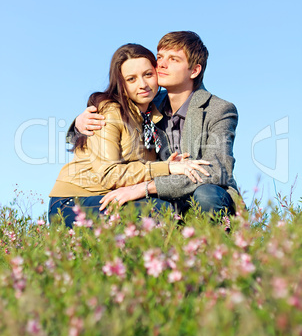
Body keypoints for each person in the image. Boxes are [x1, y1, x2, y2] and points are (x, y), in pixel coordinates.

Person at [71, 31, 239, 216]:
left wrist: (145, 188)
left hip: (199, 193)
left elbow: (215, 172)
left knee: (207, 195)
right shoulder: (147, 102)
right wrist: (79, 125)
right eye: (159, 57)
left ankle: (216, 243)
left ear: (194, 70)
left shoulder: (219, 109)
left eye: (174, 59)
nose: (162, 64)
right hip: (161, 200)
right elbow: (112, 110)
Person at [49, 43, 210, 227]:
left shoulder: (153, 112)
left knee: (179, 210)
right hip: (75, 201)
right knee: (161, 213)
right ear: (121, 84)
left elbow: (188, 90)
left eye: (148, 75)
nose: (143, 85)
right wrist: (167, 168)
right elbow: (110, 175)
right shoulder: (109, 112)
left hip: (115, 196)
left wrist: (168, 164)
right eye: (131, 79)